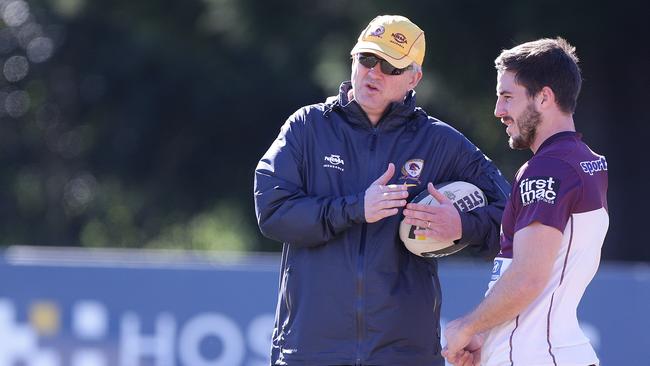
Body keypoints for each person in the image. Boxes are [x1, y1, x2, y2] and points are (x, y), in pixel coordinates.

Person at [254, 15, 510, 366]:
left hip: (405, 355)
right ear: (353, 59)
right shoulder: (307, 127)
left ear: (413, 78)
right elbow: (272, 212)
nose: (374, 72)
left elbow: (514, 218)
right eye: (367, 59)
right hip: (311, 353)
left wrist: (461, 227)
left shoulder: (439, 142)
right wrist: (356, 208)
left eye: (390, 66)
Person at [442, 38, 608, 366]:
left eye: (507, 97)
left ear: (544, 97)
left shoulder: (546, 169)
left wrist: (467, 326)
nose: (498, 111)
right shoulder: (587, 161)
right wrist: (487, 336)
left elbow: (528, 276)